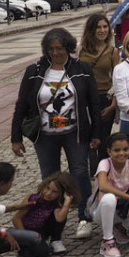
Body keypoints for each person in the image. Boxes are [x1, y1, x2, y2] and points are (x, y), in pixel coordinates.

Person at [11, 27, 101, 240]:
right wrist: (15, 137)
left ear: (68, 47)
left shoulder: (82, 68)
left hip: (75, 132)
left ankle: (84, 217)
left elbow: (94, 104)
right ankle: (50, 220)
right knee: (49, 178)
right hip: (45, 134)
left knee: (79, 172)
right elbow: (21, 104)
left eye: (59, 48)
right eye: (51, 49)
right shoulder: (34, 71)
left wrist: (97, 133)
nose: (56, 53)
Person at [78, 14, 120, 168]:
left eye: (105, 27)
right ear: (91, 30)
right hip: (84, 99)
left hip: (104, 99)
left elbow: (117, 80)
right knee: (85, 138)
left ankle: (102, 172)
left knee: (103, 139)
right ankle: (88, 170)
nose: (102, 30)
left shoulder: (113, 51)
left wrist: (114, 105)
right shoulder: (80, 50)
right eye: (98, 27)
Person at [11, 171, 79, 257]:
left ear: (61, 194)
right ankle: (25, 249)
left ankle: (55, 241)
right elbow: (16, 219)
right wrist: (26, 236)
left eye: (54, 192)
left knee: (62, 212)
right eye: (47, 188)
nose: (48, 193)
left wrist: (67, 201)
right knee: (42, 252)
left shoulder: (55, 203)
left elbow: (60, 219)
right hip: (25, 232)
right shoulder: (33, 198)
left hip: (40, 232)